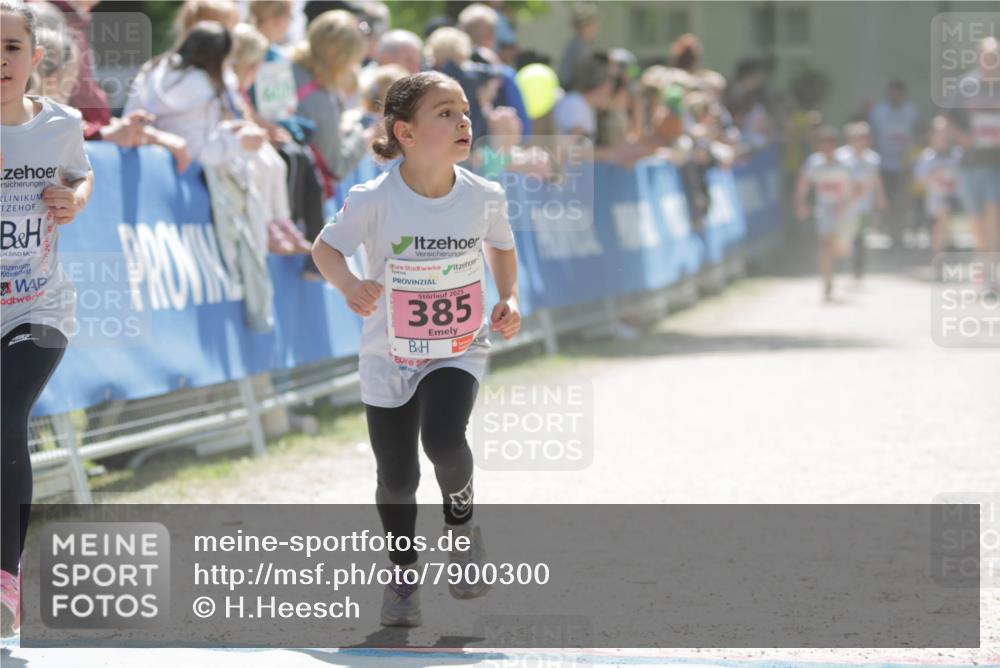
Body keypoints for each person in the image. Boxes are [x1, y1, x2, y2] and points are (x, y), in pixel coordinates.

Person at [310, 71, 521, 627]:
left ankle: (461, 528)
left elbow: (502, 246)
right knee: (398, 478)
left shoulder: (484, 195)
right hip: (388, 354)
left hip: (459, 345)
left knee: (446, 441)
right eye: (445, 113)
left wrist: (510, 297)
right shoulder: (374, 198)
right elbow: (326, 249)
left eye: (464, 112)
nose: (463, 121)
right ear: (404, 132)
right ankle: (403, 576)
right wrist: (351, 285)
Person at [1, 0, 94, 637]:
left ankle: (5, 580)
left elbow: (80, 178)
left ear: (34, 60)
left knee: (5, 414)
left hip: (40, 305)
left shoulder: (60, 124)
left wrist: (71, 199)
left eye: (10, 48)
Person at [948, 37, 1000, 261]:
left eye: (995, 55)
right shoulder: (965, 85)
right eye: (987, 55)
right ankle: (985, 263)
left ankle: (994, 273)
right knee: (976, 220)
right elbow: (948, 119)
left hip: (996, 163)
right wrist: (963, 138)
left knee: (994, 210)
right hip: (970, 164)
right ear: (978, 57)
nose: (991, 59)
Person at [796, 126, 861, 301]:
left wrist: (845, 205)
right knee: (825, 244)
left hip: (845, 212)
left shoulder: (847, 165)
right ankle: (827, 281)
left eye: (829, 144)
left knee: (841, 249)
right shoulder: (813, 163)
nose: (826, 148)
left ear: (836, 145)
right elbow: (804, 183)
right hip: (824, 210)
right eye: (822, 144)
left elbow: (859, 189)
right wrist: (801, 203)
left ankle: (840, 263)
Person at [868, 79, 920, 248]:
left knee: (903, 200)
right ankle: (890, 232)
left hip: (905, 165)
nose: (895, 96)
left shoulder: (912, 112)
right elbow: (872, 136)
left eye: (898, 93)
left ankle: (901, 233)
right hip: (884, 164)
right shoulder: (878, 112)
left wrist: (912, 158)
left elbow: (917, 135)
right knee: (887, 200)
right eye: (892, 92)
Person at [835, 122, 887, 281]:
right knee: (844, 236)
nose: (861, 141)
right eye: (857, 137)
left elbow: (876, 179)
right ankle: (841, 264)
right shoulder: (840, 157)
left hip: (864, 204)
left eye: (864, 137)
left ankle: (858, 267)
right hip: (845, 205)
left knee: (861, 235)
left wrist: (880, 196)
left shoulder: (872, 158)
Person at [914, 117, 963, 258]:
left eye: (946, 134)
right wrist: (934, 177)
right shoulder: (927, 157)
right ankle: (940, 253)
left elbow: (965, 180)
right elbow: (919, 182)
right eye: (939, 134)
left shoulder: (957, 155)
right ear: (932, 136)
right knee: (941, 217)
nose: (943, 138)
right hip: (935, 200)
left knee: (943, 219)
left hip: (957, 198)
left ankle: (945, 248)